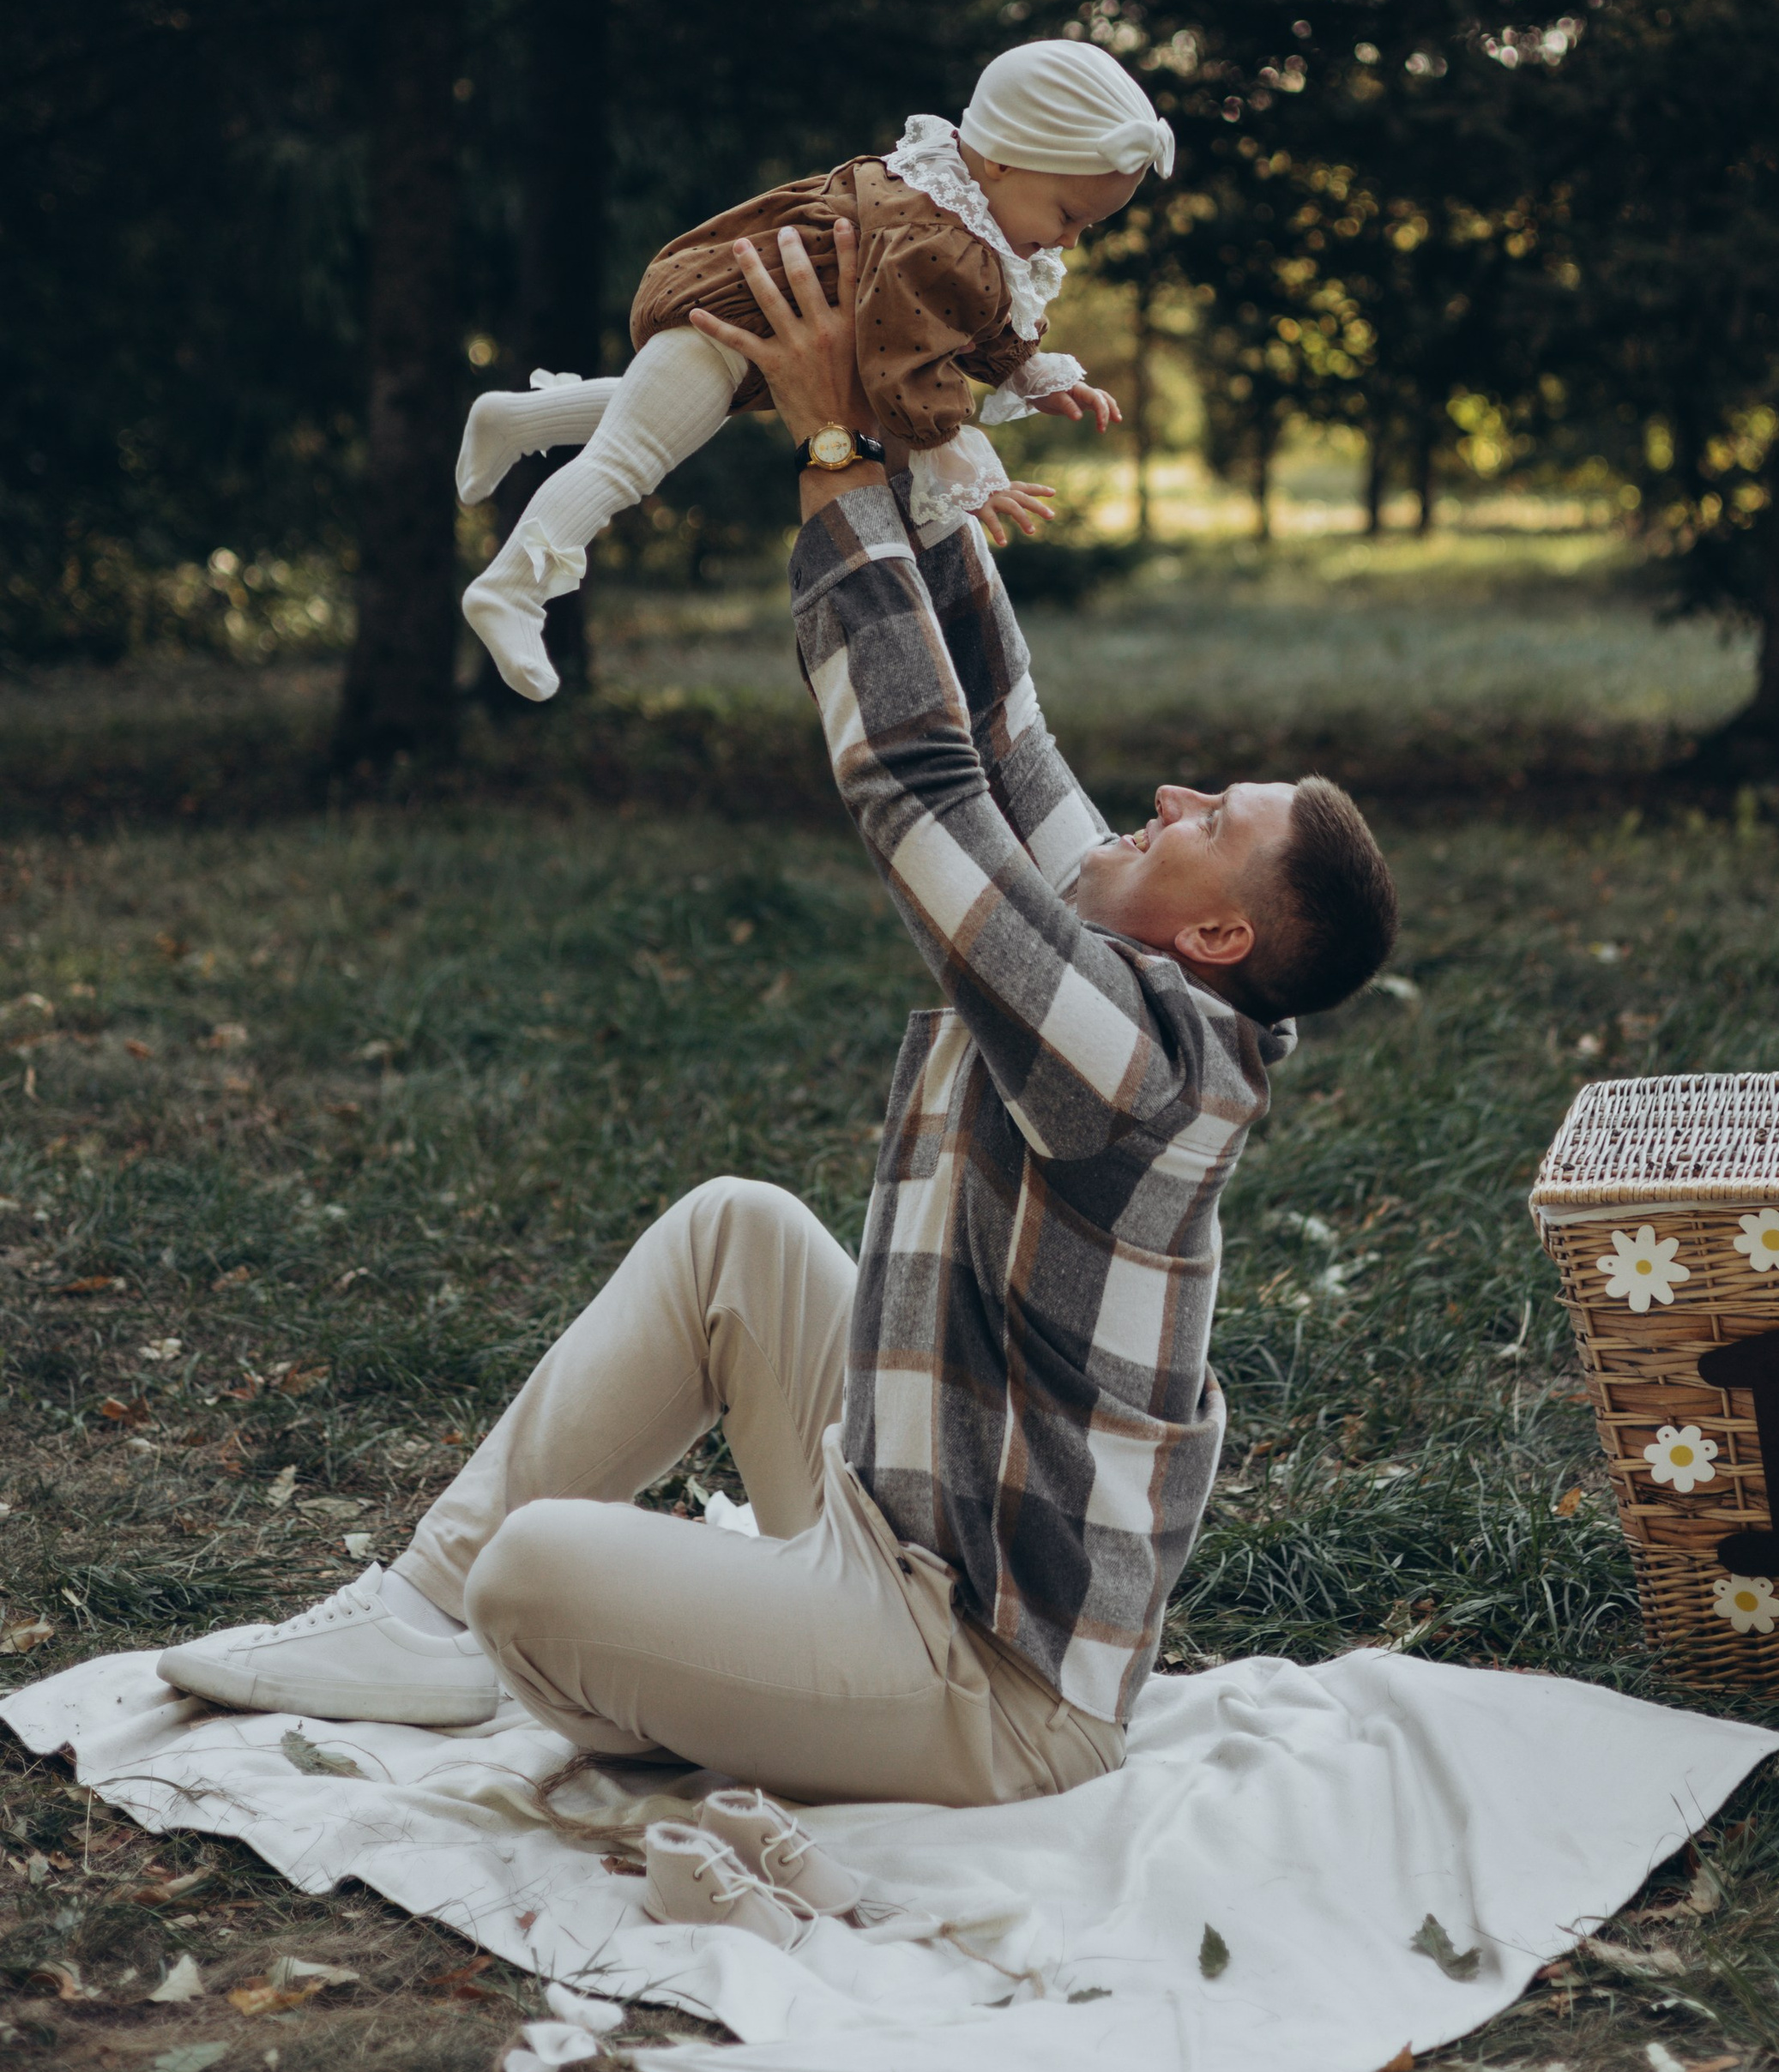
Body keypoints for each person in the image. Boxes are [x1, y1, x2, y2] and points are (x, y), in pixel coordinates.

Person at [158, 220, 1400, 1806]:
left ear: (1220, 930)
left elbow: (918, 788)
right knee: (734, 1231)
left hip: (990, 1683)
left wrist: (826, 452)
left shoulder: (1145, 1063)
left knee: (539, 1576)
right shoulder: (1123, 938)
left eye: (1210, 814)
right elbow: (1005, 734)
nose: (1165, 795)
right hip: (903, 1524)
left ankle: (532, 1635)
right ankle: (415, 1621)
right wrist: (899, 427)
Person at [458, 37, 1170, 702]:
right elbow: (908, 367)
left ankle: (513, 419)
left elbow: (967, 317)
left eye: (1088, 226)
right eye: (1070, 213)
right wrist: (965, 467)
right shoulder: (941, 235)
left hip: (753, 330)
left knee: (670, 413)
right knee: (631, 458)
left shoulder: (956, 206)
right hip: (729, 316)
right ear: (1003, 160)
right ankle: (511, 588)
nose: (1073, 239)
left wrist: (1033, 372)